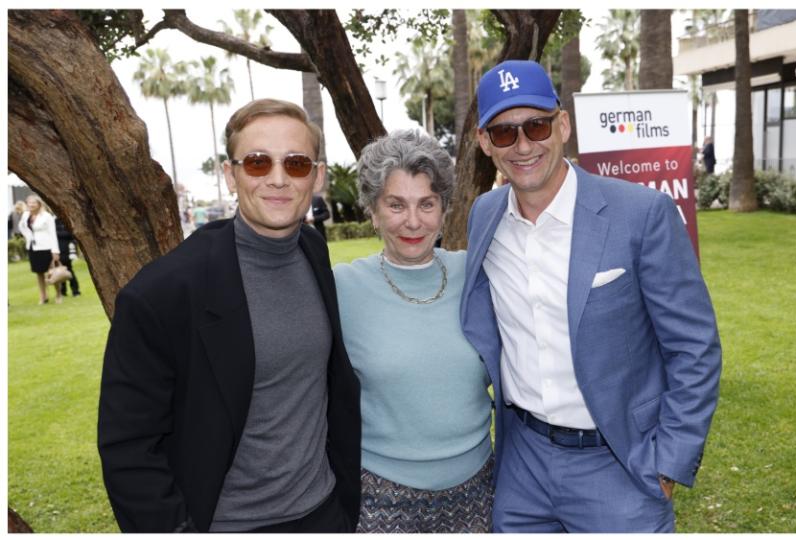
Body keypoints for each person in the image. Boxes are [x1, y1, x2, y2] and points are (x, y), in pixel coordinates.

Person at [460, 60, 722, 533]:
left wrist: (669, 461)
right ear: (484, 143)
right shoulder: (484, 216)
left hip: (619, 464)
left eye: (536, 125)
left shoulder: (641, 214)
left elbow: (694, 346)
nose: (523, 145)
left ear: (562, 125)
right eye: (504, 133)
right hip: (521, 464)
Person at [97, 98, 360, 533]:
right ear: (230, 174)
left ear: (317, 176)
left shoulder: (312, 252)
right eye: (257, 163)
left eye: (295, 164)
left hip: (325, 512)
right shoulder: (162, 292)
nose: (278, 179)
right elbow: (129, 448)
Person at [333, 130, 494, 533]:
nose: (413, 221)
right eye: (396, 204)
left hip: (479, 489)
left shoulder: (475, 274)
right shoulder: (340, 288)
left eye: (427, 204)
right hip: (382, 496)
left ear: (444, 210)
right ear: (372, 210)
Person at [19, 195, 62, 305]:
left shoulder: (47, 216)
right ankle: (43, 296)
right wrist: (28, 236)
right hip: (33, 247)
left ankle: (58, 294)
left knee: (52, 273)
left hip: (46, 247)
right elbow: (21, 227)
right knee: (39, 273)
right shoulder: (25, 215)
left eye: (33, 203)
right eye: (29, 203)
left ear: (39, 204)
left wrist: (55, 250)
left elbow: (53, 234)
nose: (31, 205)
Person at [54, 216, 81, 297]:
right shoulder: (55, 220)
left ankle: (75, 290)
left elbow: (70, 234)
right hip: (58, 248)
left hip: (67, 248)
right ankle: (63, 290)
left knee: (68, 269)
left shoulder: (66, 219)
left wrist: (57, 234)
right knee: (60, 269)